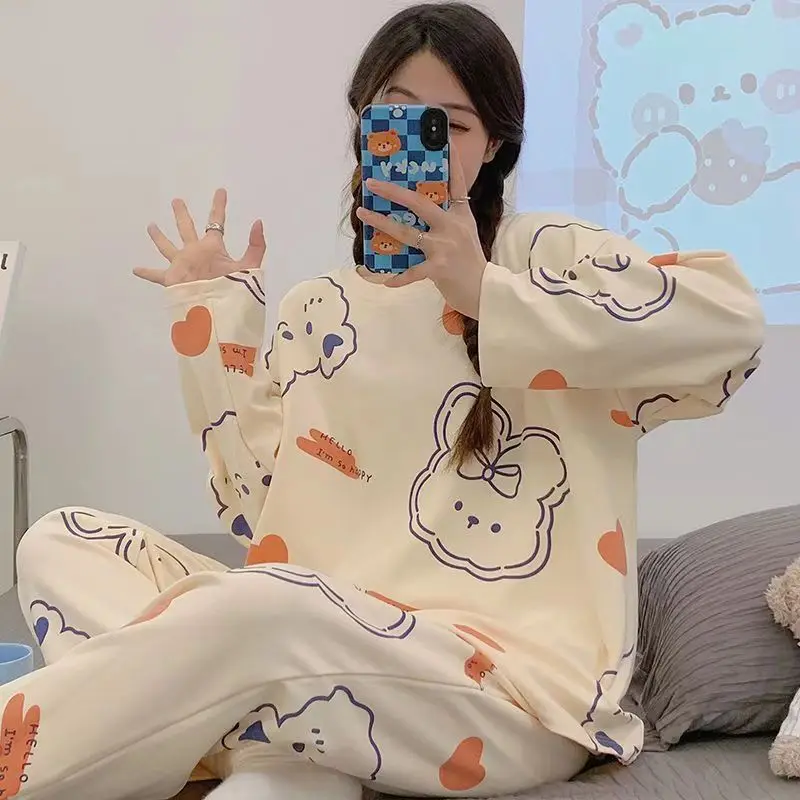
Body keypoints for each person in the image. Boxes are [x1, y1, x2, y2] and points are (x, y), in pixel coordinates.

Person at [1, 4, 764, 800]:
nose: (419, 137)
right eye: (395, 113)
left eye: (452, 124)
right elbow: (263, 517)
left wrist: (486, 293)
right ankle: (288, 756)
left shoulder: (546, 256)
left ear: (493, 146)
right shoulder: (316, 309)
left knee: (262, 613)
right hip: (321, 647)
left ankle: (214, 735)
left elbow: (732, 325)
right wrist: (213, 317)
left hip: (501, 692)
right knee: (61, 542)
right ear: (363, 124)